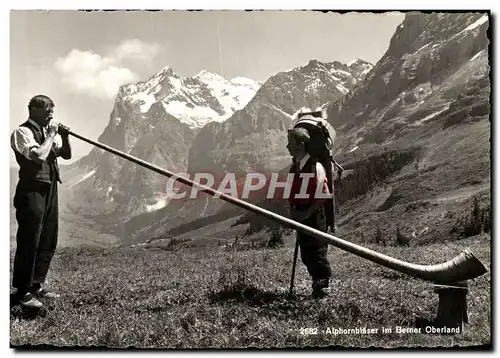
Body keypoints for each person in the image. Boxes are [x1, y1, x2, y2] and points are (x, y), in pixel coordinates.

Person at [10, 95, 71, 310]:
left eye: (53, 110)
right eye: (47, 110)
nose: (51, 114)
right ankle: (22, 291)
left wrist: (64, 136)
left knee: (48, 237)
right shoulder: (22, 132)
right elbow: (38, 156)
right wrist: (53, 133)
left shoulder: (48, 134)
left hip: (50, 187)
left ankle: (37, 284)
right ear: (33, 109)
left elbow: (66, 155)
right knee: (30, 239)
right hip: (31, 190)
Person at [286, 127, 332, 298]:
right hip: (301, 217)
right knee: (306, 253)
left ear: (300, 144)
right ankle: (318, 287)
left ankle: (323, 288)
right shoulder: (295, 167)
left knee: (317, 252)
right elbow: (291, 193)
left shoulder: (315, 166)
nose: (287, 147)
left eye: (290, 143)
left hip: (314, 217)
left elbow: (323, 194)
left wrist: (307, 213)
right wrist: (293, 210)